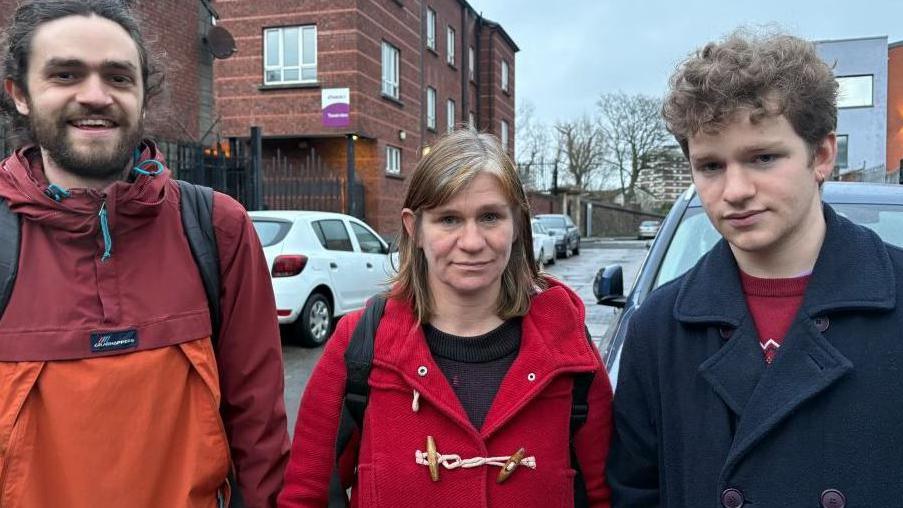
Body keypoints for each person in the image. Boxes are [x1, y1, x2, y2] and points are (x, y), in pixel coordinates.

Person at [0, 1, 289, 506]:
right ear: (20, 93)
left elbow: (259, 428)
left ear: (142, 94)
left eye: (118, 76)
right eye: (66, 74)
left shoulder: (217, 228)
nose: (95, 96)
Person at [607, 30, 903, 507]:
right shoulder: (659, 327)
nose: (736, 189)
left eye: (763, 158)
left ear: (822, 155)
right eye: (710, 166)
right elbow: (634, 491)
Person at [278, 129, 613, 507]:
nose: (471, 242)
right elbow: (306, 495)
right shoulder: (360, 344)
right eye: (449, 219)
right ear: (414, 228)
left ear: (517, 225)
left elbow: (603, 495)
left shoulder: (568, 348)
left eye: (489, 217)